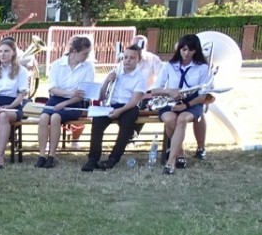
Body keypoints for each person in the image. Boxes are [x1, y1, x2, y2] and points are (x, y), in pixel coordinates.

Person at [148, 34, 211, 174]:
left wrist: (186, 106)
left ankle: (170, 162)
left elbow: (204, 95)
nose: (186, 53)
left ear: (196, 50)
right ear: (179, 49)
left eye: (190, 50)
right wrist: (169, 91)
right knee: (170, 120)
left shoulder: (202, 68)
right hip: (170, 101)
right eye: (183, 49)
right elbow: (155, 90)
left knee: (182, 119)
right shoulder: (169, 66)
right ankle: (180, 153)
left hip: (192, 103)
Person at [82, 46, 147, 171]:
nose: (128, 60)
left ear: (138, 59)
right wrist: (107, 81)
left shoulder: (140, 77)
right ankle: (93, 158)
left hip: (128, 107)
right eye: (125, 57)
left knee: (127, 125)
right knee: (97, 123)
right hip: (111, 104)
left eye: (132, 58)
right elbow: (101, 97)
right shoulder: (115, 71)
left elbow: (135, 100)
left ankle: (113, 159)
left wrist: (120, 111)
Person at [36, 35, 95, 169]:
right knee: (44, 117)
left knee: (56, 117)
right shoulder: (57, 64)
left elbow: (82, 94)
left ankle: (52, 156)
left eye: (88, 53)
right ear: (74, 51)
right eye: (84, 53)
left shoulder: (88, 66)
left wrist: (65, 103)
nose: (87, 56)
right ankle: (41, 155)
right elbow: (52, 88)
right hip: (57, 98)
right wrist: (69, 93)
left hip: (75, 102)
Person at [0, 38, 30, 169]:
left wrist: (10, 106)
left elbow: (21, 95)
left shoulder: (22, 71)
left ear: (13, 52)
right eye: (0, 51)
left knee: (3, 116)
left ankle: (1, 155)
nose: (2, 54)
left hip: (13, 105)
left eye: (6, 51)